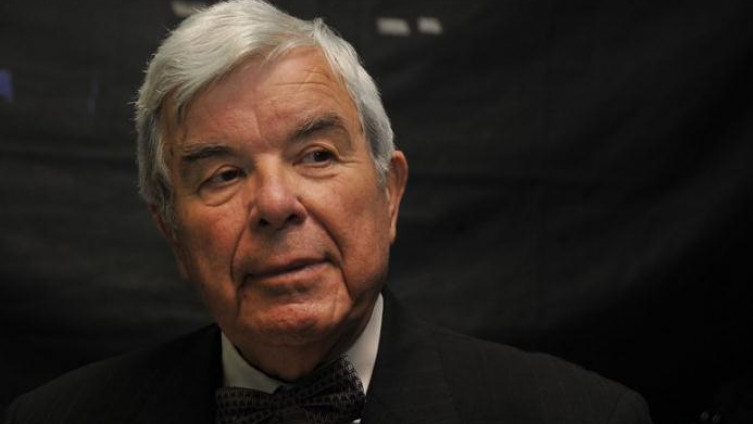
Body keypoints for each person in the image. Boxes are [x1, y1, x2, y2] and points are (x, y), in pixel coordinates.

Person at [4, 1, 652, 423]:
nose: (275, 204)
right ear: (171, 232)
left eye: (315, 156)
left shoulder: (580, 415)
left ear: (388, 193)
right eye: (223, 174)